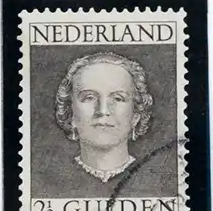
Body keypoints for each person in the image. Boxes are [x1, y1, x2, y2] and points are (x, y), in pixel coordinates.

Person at [32, 50, 179, 201]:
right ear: (70, 112)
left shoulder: (163, 181)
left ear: (136, 114)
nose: (103, 110)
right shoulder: (44, 182)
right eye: (89, 97)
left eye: (118, 98)